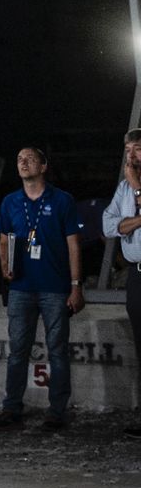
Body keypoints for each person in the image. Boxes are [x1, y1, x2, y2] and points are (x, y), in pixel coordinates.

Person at [0, 143, 86, 429]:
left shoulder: (62, 200)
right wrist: (4, 268)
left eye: (30, 159)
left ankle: (57, 410)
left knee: (57, 349)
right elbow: (3, 240)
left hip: (54, 287)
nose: (23, 163)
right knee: (18, 349)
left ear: (43, 166)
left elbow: (74, 245)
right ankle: (11, 408)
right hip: (21, 287)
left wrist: (76, 285)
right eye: (19, 159)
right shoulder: (10, 201)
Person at [105, 128, 141, 439]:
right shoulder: (123, 189)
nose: (131, 155)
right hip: (136, 273)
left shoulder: (132, 186)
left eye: (137, 149)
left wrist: (138, 190)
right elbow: (107, 224)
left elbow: (121, 225)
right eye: (128, 149)